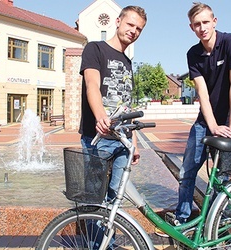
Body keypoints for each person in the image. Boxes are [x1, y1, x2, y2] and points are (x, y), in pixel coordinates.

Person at [174, 2, 231, 225]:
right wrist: (212, 125)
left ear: (214, 22)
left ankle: (220, 220)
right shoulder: (193, 54)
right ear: (191, 28)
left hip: (229, 119)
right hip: (205, 121)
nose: (202, 27)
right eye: (197, 24)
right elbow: (202, 94)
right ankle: (183, 218)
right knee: (187, 171)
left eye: (206, 22)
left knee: (222, 177)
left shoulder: (230, 42)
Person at [79, 5, 147, 201]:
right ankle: (92, 234)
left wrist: (133, 143)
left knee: (115, 198)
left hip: (122, 141)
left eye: (139, 29)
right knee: (94, 198)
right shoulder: (95, 48)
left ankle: (110, 233)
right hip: (98, 138)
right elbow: (92, 85)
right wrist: (101, 116)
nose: (134, 31)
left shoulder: (128, 61)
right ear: (118, 22)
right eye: (130, 24)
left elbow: (127, 104)